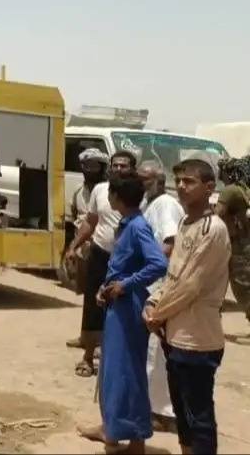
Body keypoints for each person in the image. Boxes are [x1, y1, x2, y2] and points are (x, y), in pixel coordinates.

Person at [145, 159, 231, 455]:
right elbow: (173, 274)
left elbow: (190, 285)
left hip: (198, 339)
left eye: (189, 181)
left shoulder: (212, 229)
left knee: (199, 416)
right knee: (182, 412)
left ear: (209, 188)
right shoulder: (186, 222)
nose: (181, 186)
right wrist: (153, 301)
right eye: (179, 180)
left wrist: (157, 314)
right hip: (175, 333)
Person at [78, 173, 168, 453]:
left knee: (127, 372)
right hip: (117, 305)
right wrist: (106, 288)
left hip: (129, 308)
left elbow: (158, 263)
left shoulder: (138, 227)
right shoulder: (126, 224)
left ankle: (137, 440)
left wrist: (125, 285)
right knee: (111, 371)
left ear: (116, 197)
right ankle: (111, 429)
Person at [65, 149, 139, 377]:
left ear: (132, 169)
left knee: (120, 306)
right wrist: (73, 246)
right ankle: (88, 357)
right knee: (92, 305)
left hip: (126, 259)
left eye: (123, 166)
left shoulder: (138, 194)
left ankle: (114, 359)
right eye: (115, 165)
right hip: (100, 253)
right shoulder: (100, 190)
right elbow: (90, 222)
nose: (118, 169)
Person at [139, 161, 183, 432]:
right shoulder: (150, 204)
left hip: (160, 285)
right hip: (153, 285)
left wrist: (146, 271)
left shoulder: (165, 204)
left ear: (158, 180)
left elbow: (169, 241)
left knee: (158, 354)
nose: (142, 184)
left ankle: (164, 414)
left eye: (146, 180)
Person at [63, 148, 108, 293]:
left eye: (93, 166)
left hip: (102, 249)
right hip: (83, 250)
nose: (89, 170)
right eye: (86, 166)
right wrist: (72, 247)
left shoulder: (108, 192)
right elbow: (74, 218)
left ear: (101, 168)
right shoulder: (78, 192)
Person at [217, 155, 250, 323]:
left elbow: (217, 216)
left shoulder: (231, 191)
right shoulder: (243, 190)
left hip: (236, 246)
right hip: (242, 244)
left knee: (241, 286)